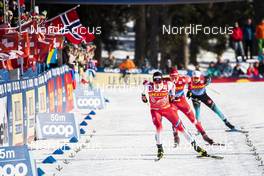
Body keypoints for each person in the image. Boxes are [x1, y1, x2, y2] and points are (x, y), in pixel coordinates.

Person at [142, 71, 209, 159]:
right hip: (155, 111)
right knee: (159, 127)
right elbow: (143, 91)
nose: (157, 83)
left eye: (159, 81)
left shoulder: (168, 84)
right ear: (153, 81)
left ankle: (197, 147)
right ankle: (160, 149)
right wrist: (143, 97)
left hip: (167, 109)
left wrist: (172, 95)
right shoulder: (149, 86)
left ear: (162, 80)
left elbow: (173, 86)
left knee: (181, 128)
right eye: (155, 81)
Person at [168, 68, 214, 145]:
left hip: (182, 102)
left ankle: (204, 135)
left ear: (178, 75)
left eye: (175, 76)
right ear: (169, 76)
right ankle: (176, 136)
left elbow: (190, 81)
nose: (174, 78)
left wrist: (189, 90)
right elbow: (154, 82)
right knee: (175, 120)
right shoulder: (166, 81)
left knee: (193, 119)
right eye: (172, 76)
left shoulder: (183, 79)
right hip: (172, 103)